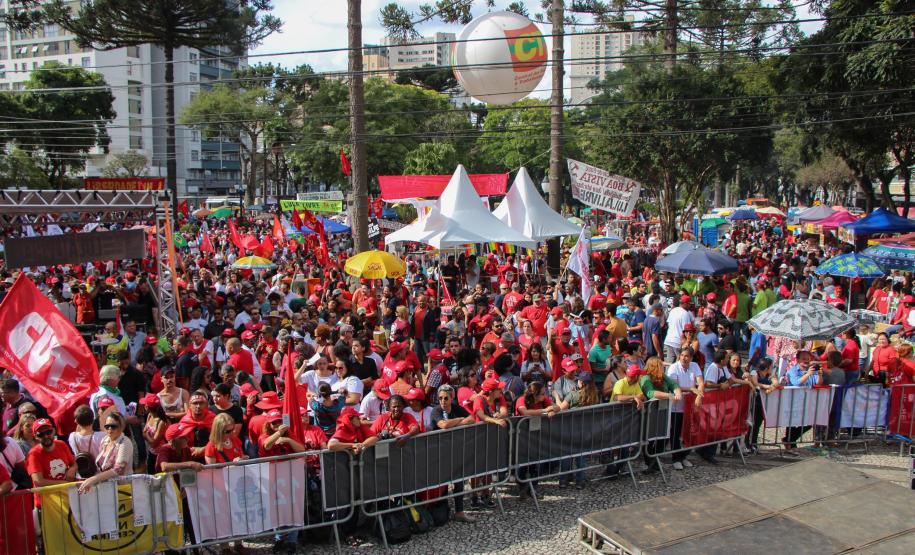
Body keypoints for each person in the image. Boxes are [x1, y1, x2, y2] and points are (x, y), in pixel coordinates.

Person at [429, 384, 476, 522]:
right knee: (441, 483)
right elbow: (443, 425)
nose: (443, 401)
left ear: (452, 398)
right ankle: (440, 510)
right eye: (440, 398)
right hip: (438, 451)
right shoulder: (436, 411)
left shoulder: (456, 408)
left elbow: (472, 419)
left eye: (446, 398)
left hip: (454, 450)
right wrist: (459, 420)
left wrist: (455, 423)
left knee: (459, 480)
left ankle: (459, 511)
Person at [638, 357, 682, 473]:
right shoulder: (645, 378)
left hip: (662, 411)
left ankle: (654, 461)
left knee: (664, 437)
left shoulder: (662, 377)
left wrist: (677, 392)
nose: (662, 368)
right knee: (649, 439)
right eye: (660, 365)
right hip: (649, 412)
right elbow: (650, 393)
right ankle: (650, 463)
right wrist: (669, 396)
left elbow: (673, 384)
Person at [665, 347, 705, 470]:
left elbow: (701, 382)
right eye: (682, 355)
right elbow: (674, 386)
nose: (684, 358)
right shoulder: (673, 368)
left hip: (689, 407)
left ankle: (683, 456)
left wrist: (699, 395)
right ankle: (675, 458)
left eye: (687, 356)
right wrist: (691, 389)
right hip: (677, 407)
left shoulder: (694, 366)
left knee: (688, 433)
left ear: (691, 357)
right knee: (676, 433)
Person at [557, 372, 598, 488]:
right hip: (586, 430)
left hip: (570, 429)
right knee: (582, 457)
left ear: (582, 383)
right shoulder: (594, 396)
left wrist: (556, 397)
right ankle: (580, 481)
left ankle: (563, 481)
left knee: (566, 455)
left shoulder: (573, 395)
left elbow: (561, 408)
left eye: (578, 380)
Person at [78, 412, 133, 493]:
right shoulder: (105, 440)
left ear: (121, 427)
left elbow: (118, 470)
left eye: (113, 426)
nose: (110, 429)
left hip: (122, 489)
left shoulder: (125, 442)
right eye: (107, 426)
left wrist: (93, 479)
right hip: (106, 489)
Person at [27, 418, 77, 490]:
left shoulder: (61, 444)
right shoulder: (33, 454)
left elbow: (74, 464)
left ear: (54, 431)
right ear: (35, 436)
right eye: (41, 434)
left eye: (48, 432)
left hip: (65, 495)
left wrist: (72, 470)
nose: (46, 436)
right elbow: (38, 482)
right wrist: (64, 483)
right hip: (46, 499)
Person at [140, 394, 168, 472]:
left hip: (161, 455)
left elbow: (154, 443)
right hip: (151, 452)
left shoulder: (161, 422)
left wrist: (146, 435)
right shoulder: (149, 416)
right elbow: (145, 433)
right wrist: (147, 435)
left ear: (147, 407)